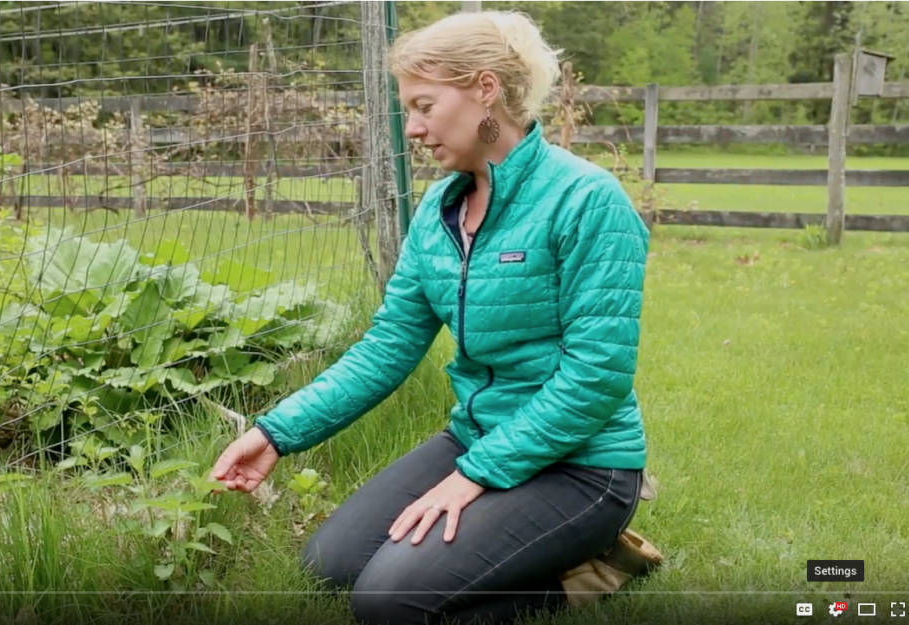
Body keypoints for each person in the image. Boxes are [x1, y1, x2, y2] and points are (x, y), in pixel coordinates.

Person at [212, 9, 653, 625]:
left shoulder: (586, 200)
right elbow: (387, 347)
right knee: (328, 567)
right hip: (477, 435)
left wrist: (474, 477)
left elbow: (596, 379)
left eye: (424, 105)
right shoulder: (439, 211)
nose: (414, 129)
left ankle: (588, 574)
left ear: (485, 89)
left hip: (581, 465)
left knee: (389, 603)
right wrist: (276, 434)